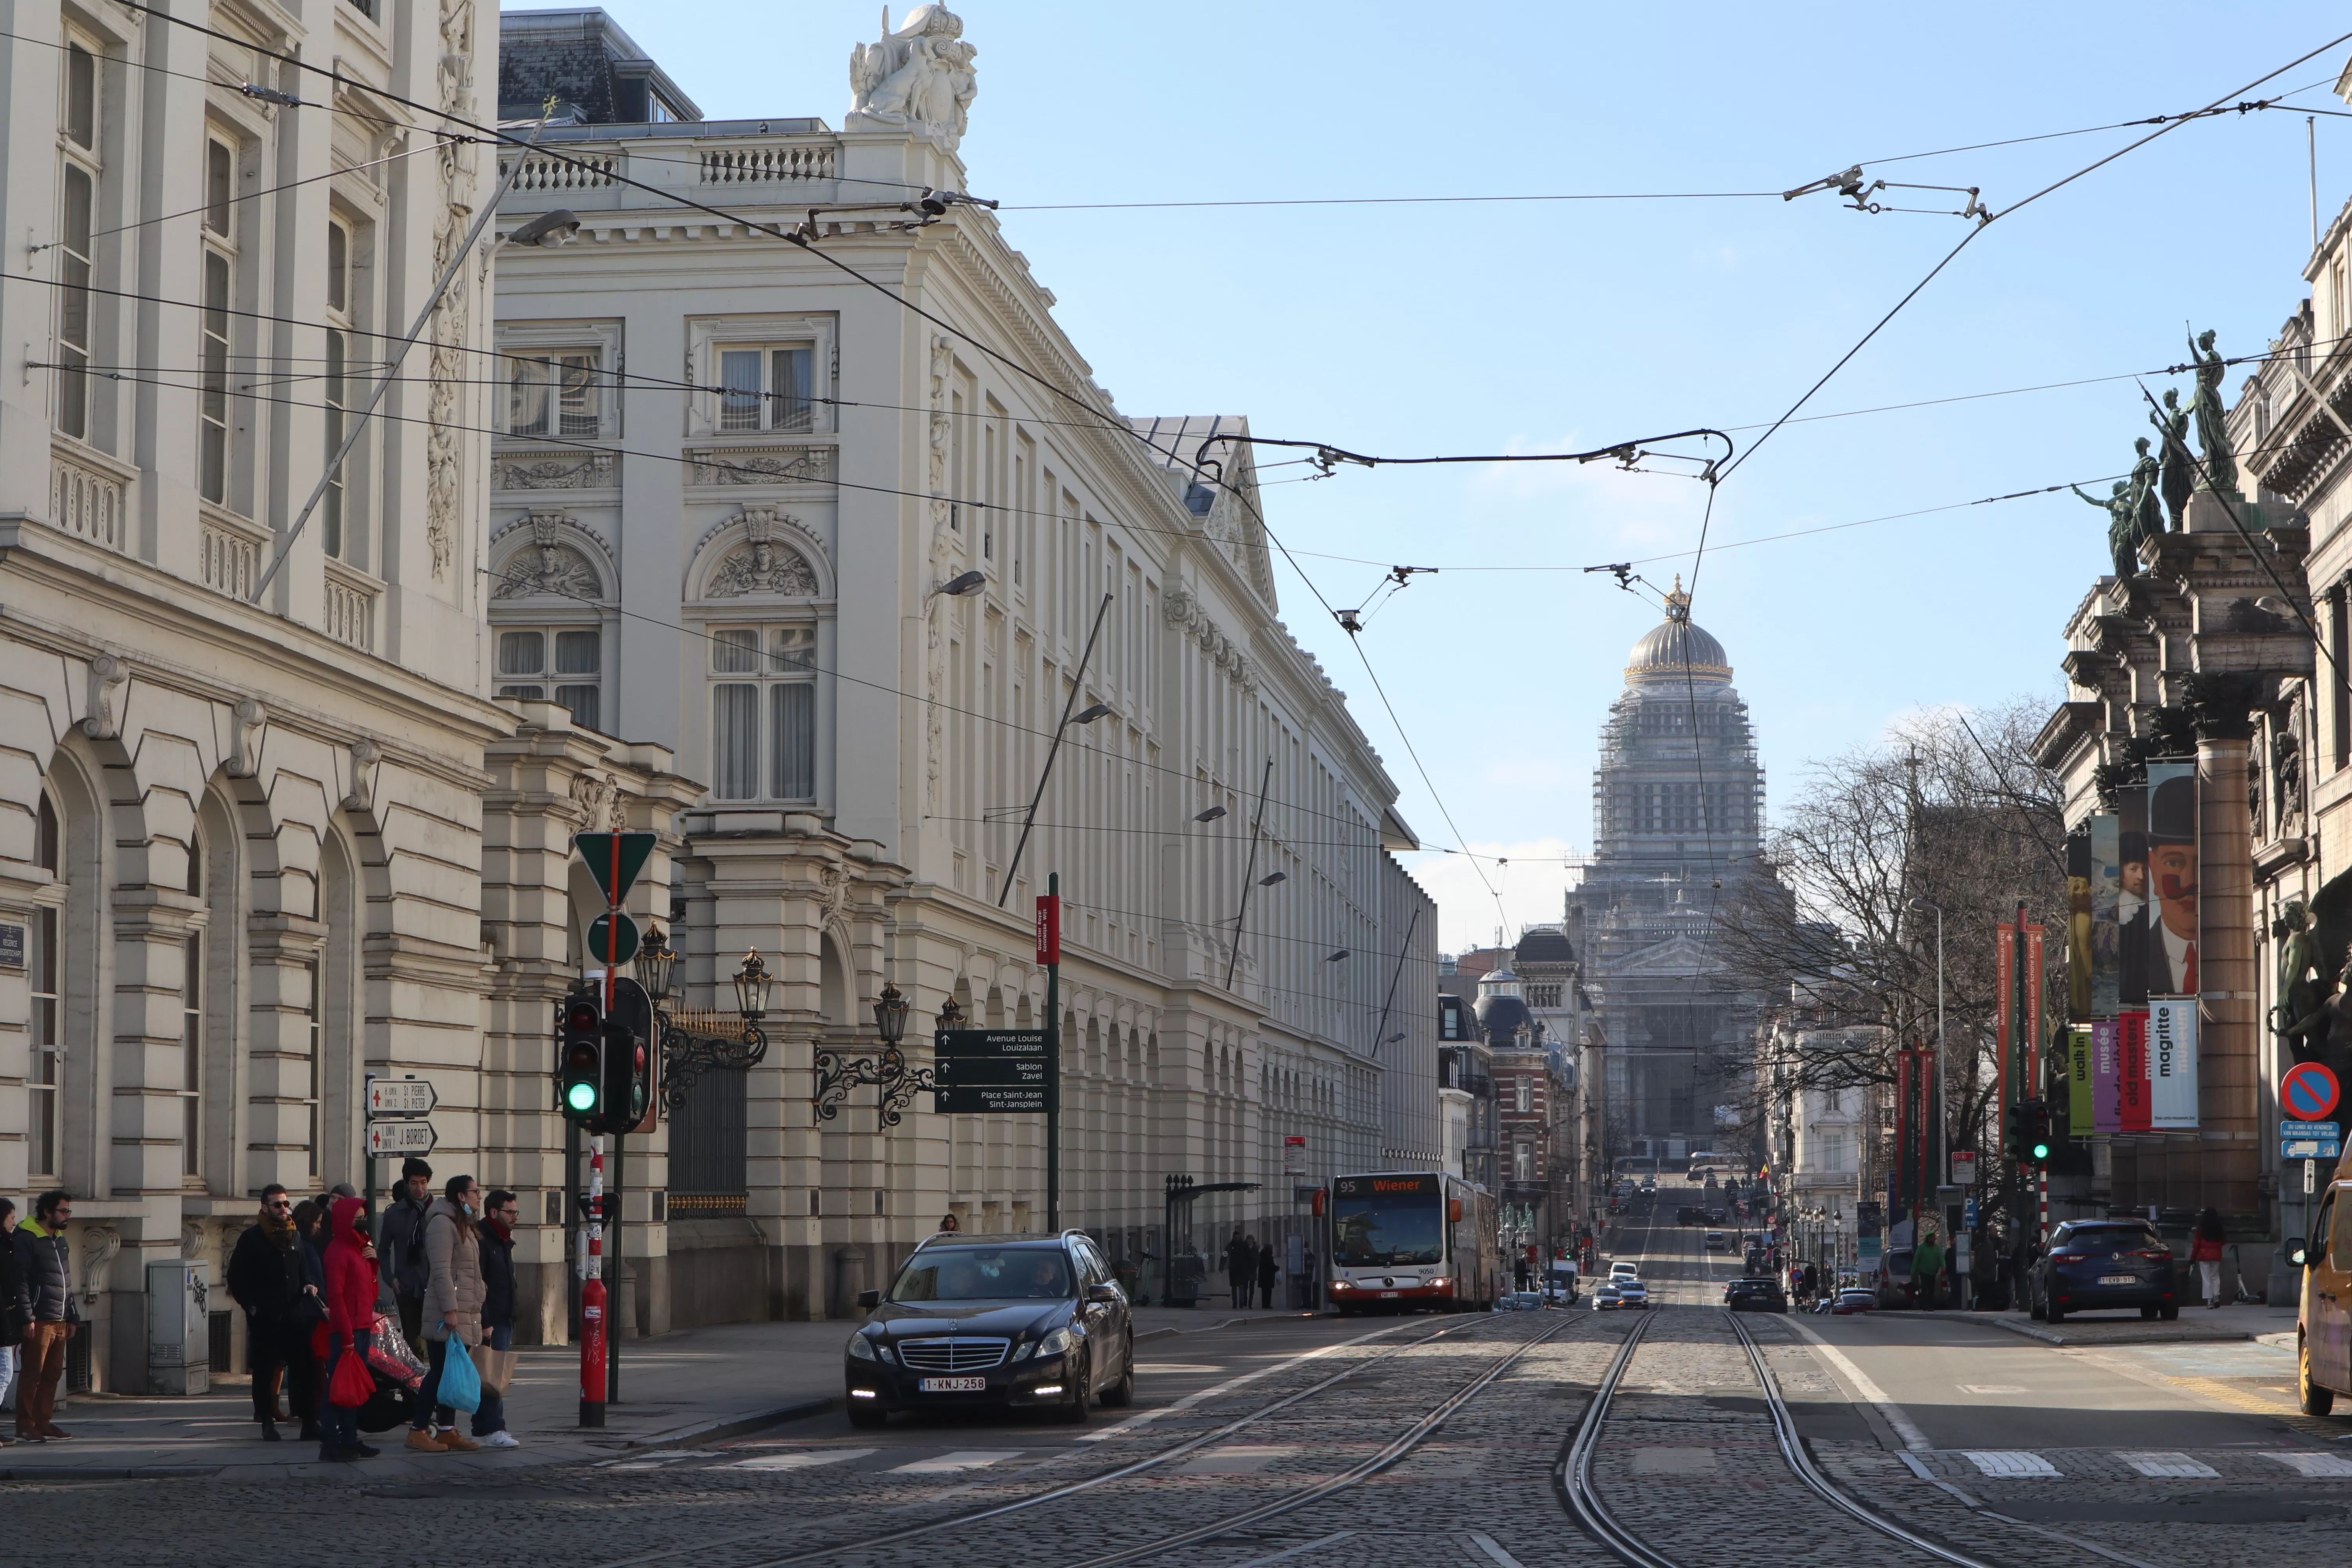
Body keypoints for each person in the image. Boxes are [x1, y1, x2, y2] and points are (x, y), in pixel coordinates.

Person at [226, 1184, 312, 1441]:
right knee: (265, 1371)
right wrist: (251, 1306)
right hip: (266, 1316)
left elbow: (303, 1268)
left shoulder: (295, 1235)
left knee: (303, 1368)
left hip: (295, 1315)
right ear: (265, 1207)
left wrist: (309, 1284)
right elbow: (236, 1277)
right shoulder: (252, 1238)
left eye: (287, 1204)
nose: (284, 1209)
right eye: (278, 1205)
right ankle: (266, 1421)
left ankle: (310, 1423)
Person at [409, 1174, 486, 1453]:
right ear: (461, 1197)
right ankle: (418, 1430)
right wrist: (451, 1309)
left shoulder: (464, 1224)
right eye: (475, 1192)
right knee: (440, 1372)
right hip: (447, 1312)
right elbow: (441, 1270)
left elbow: (470, 1272)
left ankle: (446, 1429)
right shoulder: (442, 1224)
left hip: (465, 1310)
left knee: (451, 1373)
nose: (480, 1196)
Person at [318, 1194, 382, 1463]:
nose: (362, 1222)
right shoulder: (338, 1251)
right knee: (338, 1387)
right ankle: (331, 1442)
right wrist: (346, 1337)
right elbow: (337, 1297)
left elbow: (371, 1291)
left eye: (363, 1218)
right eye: (357, 1219)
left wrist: (373, 1263)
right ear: (345, 1221)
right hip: (348, 1330)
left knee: (352, 1386)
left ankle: (349, 1438)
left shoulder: (359, 1248)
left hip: (362, 1325)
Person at [13, 1189, 77, 1441]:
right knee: (33, 1374)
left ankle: (44, 1422)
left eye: (69, 1211)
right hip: (39, 1318)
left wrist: (73, 1315)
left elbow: (67, 1281)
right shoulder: (27, 1237)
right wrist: (27, 1317)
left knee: (52, 1375)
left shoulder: (60, 1239)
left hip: (60, 1317)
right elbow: (21, 1281)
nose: (68, 1216)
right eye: (64, 1211)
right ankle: (25, 1424)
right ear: (48, 1212)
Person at [471, 1189, 522, 1449]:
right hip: (492, 1319)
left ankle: (482, 1428)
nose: (515, 1217)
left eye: (516, 1212)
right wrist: (486, 1321)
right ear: (494, 1213)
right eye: (510, 1212)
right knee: (493, 1378)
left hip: (505, 1316)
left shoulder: (504, 1240)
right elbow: (481, 1284)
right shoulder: (483, 1240)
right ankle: (494, 1427)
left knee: (490, 1376)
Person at [379, 1157, 435, 1354]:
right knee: (413, 1342)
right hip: (406, 1285)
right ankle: (416, 1384)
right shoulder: (395, 1213)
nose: (419, 1188)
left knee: (437, 1341)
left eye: (423, 1182)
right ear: (407, 1184)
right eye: (414, 1183)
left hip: (435, 1283)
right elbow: (384, 1249)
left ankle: (435, 1383)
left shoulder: (438, 1211)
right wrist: (390, 1278)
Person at [0, 1199, 25, 1446]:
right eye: (11, 1218)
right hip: (3, 1322)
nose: (14, 1223)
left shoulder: (8, 1245)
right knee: (4, 1373)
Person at [2192, 1208, 2227, 1308]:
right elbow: (2224, 1241)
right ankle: (2216, 1296)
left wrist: (2193, 1258)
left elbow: (2196, 1244)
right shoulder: (2219, 1227)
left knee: (2206, 1278)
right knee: (2215, 1276)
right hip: (2216, 1255)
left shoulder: (2201, 1228)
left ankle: (2209, 1301)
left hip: (2204, 1255)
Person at [1912, 1229, 1945, 1312]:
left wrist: (1944, 1268)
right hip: (1923, 1272)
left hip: (1933, 1272)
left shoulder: (1937, 1248)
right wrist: (1913, 1271)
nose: (1934, 1239)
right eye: (1933, 1238)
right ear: (1928, 1238)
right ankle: (1925, 1304)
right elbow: (1916, 1260)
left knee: (1931, 1289)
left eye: (1934, 1238)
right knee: (1925, 1288)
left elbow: (1941, 1259)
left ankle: (1929, 1305)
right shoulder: (1921, 1248)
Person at [1224, 1228, 1254, 1310]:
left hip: (1242, 1270)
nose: (1237, 1239)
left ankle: (1241, 1302)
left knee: (1241, 1287)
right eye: (1236, 1238)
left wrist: (1250, 1268)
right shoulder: (1231, 1246)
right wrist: (1221, 1266)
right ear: (1233, 1237)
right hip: (1233, 1270)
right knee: (1234, 1288)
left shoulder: (1244, 1245)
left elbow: (1250, 1257)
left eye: (1238, 1238)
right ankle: (1235, 1303)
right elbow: (1225, 1255)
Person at [1256, 1239, 1278, 1309]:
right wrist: (1277, 1268)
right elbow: (1271, 1266)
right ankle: (1267, 1305)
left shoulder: (1262, 1255)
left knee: (1264, 1293)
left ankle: (1264, 1305)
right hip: (1268, 1278)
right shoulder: (1269, 1256)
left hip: (1263, 1277)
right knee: (1268, 1293)